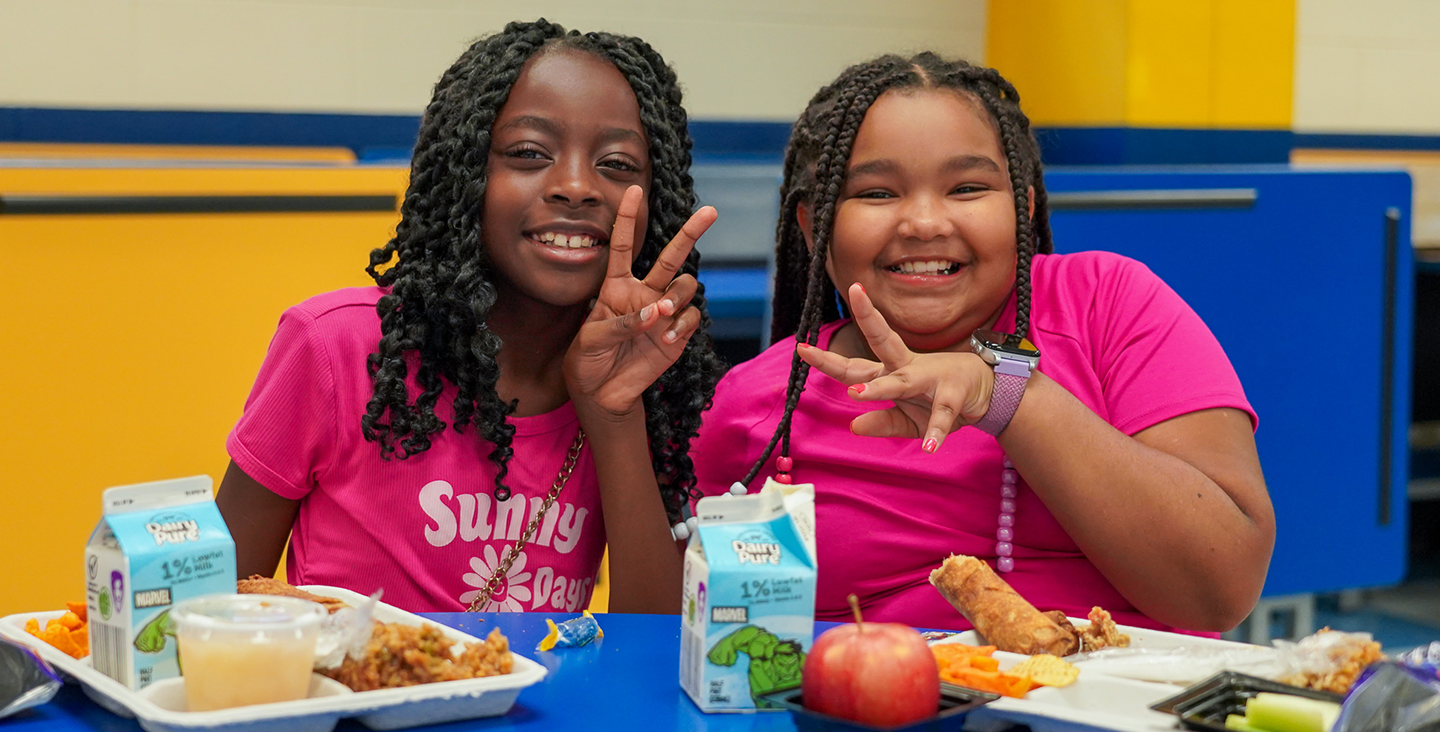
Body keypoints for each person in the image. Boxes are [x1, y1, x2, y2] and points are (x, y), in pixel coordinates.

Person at [691, 52, 1274, 634]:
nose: (923, 222)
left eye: (967, 187)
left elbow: (1223, 590)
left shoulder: (1107, 305)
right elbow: (692, 638)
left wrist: (1007, 396)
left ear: (1021, 208)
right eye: (875, 193)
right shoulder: (758, 407)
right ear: (815, 226)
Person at [217, 19, 723, 614]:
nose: (577, 186)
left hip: (539, 708)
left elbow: (656, 648)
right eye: (529, 153)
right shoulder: (335, 346)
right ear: (465, 175)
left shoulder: (643, 377)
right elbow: (210, 606)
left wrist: (613, 415)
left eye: (616, 164)